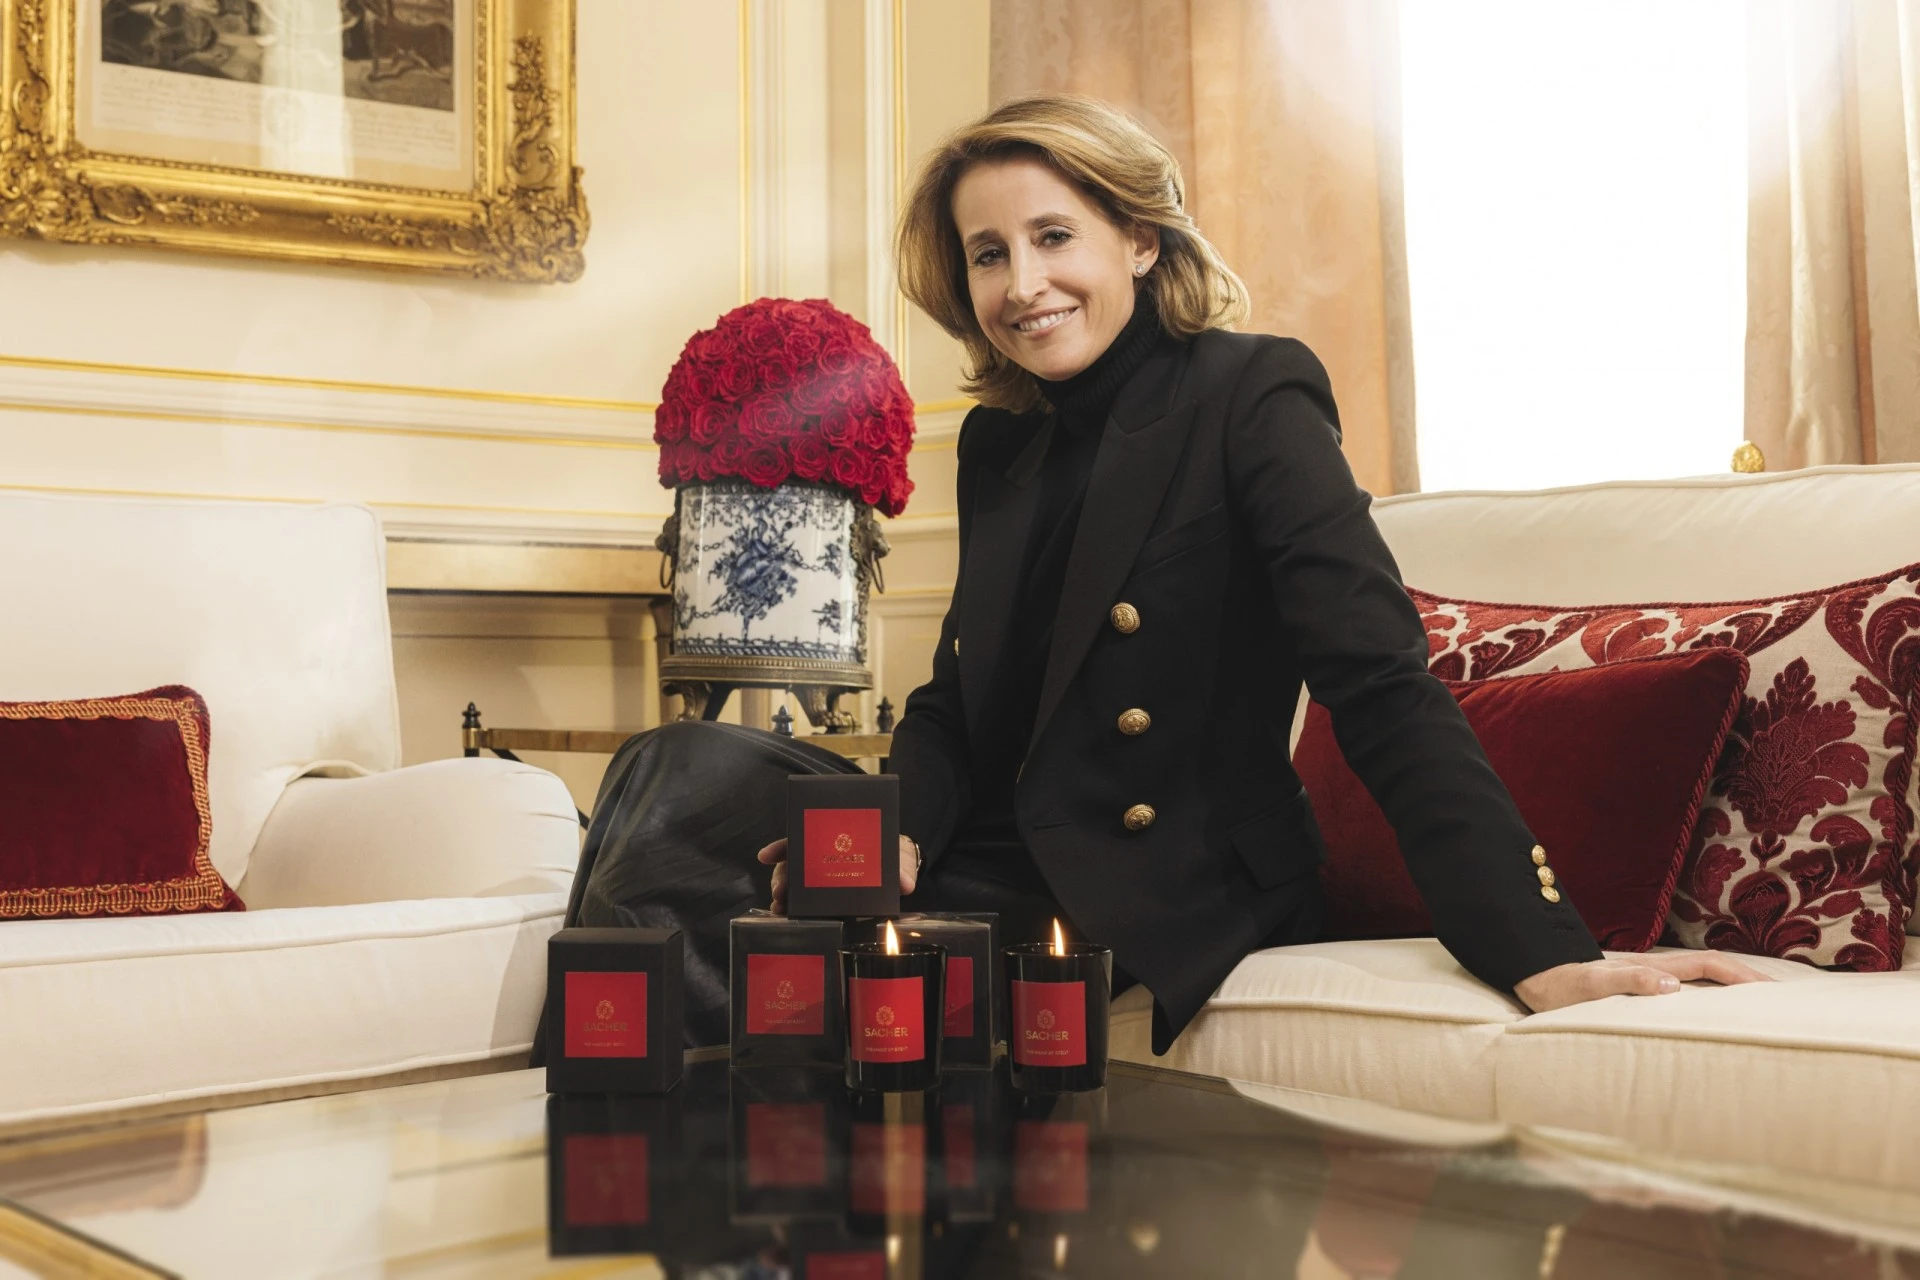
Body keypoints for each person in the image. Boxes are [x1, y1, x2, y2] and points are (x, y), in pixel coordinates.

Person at [566, 94, 1766, 1053]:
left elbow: (1377, 675)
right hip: (987, 843)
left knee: (793, 962)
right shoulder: (1002, 443)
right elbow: (951, 699)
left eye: (1053, 237)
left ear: (1140, 237)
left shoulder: (1250, 392)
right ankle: (629, 1145)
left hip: (1155, 864)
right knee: (672, 768)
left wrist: (1532, 940)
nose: (1021, 284)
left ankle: (682, 1176)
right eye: (989, 254)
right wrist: (901, 833)